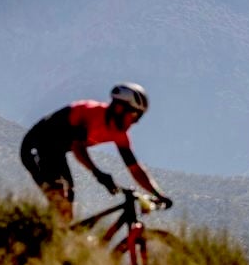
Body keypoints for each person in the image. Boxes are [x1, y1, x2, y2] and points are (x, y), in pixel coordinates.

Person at [20, 82, 171, 220]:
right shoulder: (91, 113)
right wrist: (98, 173)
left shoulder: (120, 134)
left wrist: (158, 194)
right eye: (134, 115)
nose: (134, 122)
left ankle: (54, 241)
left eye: (138, 118)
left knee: (67, 206)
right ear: (119, 108)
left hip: (55, 152)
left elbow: (135, 168)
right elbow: (78, 148)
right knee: (60, 196)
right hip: (34, 148)